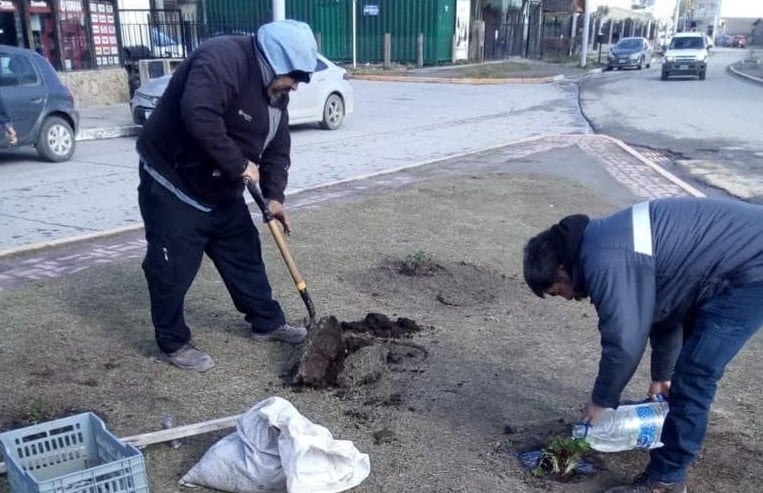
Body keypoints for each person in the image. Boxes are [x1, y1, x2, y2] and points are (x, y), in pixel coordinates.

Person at [523, 197, 763, 493]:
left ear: (561, 267)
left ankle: (666, 480)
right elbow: (666, 310)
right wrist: (662, 375)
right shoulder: (602, 243)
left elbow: (624, 342)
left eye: (557, 290)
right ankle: (674, 433)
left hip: (752, 269)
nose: (568, 298)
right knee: (682, 372)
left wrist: (602, 400)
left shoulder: (605, 260)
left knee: (696, 373)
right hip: (723, 268)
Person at [135, 20, 318, 372]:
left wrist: (274, 197)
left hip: (223, 187)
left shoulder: (275, 94)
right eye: (295, 76)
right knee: (171, 268)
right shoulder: (222, 58)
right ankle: (173, 342)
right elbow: (198, 114)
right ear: (276, 62)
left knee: (244, 254)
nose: (296, 86)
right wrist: (239, 165)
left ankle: (267, 322)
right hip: (175, 182)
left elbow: (278, 147)